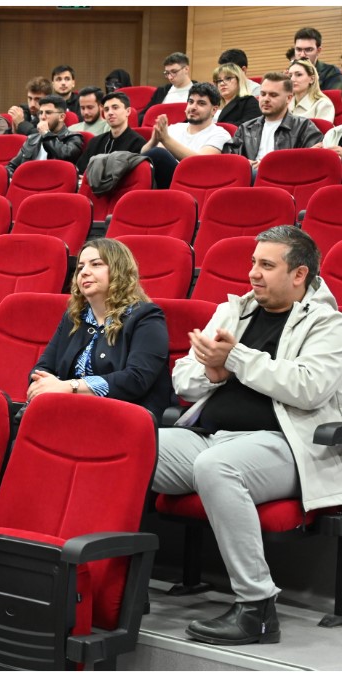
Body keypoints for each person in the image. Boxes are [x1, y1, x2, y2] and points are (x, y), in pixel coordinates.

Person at [152, 226, 342, 646]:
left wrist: (235, 358)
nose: (253, 273)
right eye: (254, 262)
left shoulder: (329, 323)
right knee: (132, 449)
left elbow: (310, 387)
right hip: (210, 433)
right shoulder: (235, 310)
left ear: (299, 275)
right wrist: (212, 373)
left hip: (286, 447)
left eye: (266, 265)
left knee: (216, 467)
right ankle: (113, 577)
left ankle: (256, 609)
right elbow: (183, 380)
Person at [28, 238, 172, 421]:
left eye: (95, 264)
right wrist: (45, 384)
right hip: (69, 412)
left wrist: (70, 386)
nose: (84, 272)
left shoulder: (146, 317)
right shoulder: (74, 318)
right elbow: (43, 367)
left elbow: (136, 379)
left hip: (124, 418)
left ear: (118, 271)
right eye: (80, 268)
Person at [224, 72, 323, 170]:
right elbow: (229, 159)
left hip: (285, 179)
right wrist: (244, 163)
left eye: (273, 95)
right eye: (263, 94)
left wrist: (271, 164)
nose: (266, 99)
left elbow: (312, 162)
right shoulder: (245, 128)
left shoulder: (304, 127)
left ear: (288, 98)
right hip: (252, 178)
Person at [141, 83, 231, 189]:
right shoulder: (174, 128)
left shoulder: (220, 134)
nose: (193, 107)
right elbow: (144, 155)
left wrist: (166, 139)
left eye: (201, 103)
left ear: (214, 110)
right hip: (165, 181)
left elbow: (201, 163)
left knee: (158, 153)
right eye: (191, 102)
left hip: (195, 183)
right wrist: (154, 140)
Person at [6, 94, 83, 182]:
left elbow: (66, 156)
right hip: (28, 185)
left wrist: (46, 134)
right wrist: (11, 177)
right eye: (41, 113)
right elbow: (12, 167)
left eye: (48, 113)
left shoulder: (73, 138)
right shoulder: (32, 139)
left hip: (54, 186)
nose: (42, 117)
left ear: (62, 117)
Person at [76, 92, 145, 174]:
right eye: (106, 109)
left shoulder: (137, 142)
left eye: (115, 108)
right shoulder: (95, 142)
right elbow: (80, 170)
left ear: (128, 111)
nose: (110, 113)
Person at [142, 52, 195, 124]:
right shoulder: (161, 91)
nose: (170, 77)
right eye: (167, 73)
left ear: (186, 69)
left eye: (174, 72)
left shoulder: (199, 91)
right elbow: (145, 115)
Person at [213, 62, 261, 127]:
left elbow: (247, 128)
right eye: (219, 81)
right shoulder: (213, 106)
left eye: (228, 78)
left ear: (239, 80)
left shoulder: (249, 102)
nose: (222, 83)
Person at [294, 26, 342, 91]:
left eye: (308, 50)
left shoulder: (331, 72)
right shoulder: (289, 75)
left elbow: (332, 99)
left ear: (318, 51)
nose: (302, 55)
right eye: (298, 49)